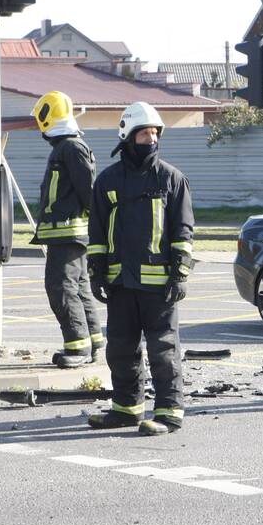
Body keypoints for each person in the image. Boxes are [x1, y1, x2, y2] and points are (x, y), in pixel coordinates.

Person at [85, 102, 194, 436]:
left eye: (155, 133)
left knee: (163, 349)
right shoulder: (107, 181)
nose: (152, 139)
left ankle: (169, 412)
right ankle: (126, 409)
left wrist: (180, 273)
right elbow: (98, 232)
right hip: (121, 284)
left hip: (159, 286)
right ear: (128, 136)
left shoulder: (171, 179)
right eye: (145, 133)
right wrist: (97, 271)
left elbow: (183, 230)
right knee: (120, 348)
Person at [29, 91, 102, 369]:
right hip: (68, 233)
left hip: (69, 233)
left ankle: (77, 347)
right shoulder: (66, 147)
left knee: (60, 288)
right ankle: (92, 343)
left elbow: (89, 191)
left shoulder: (71, 148)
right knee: (78, 288)